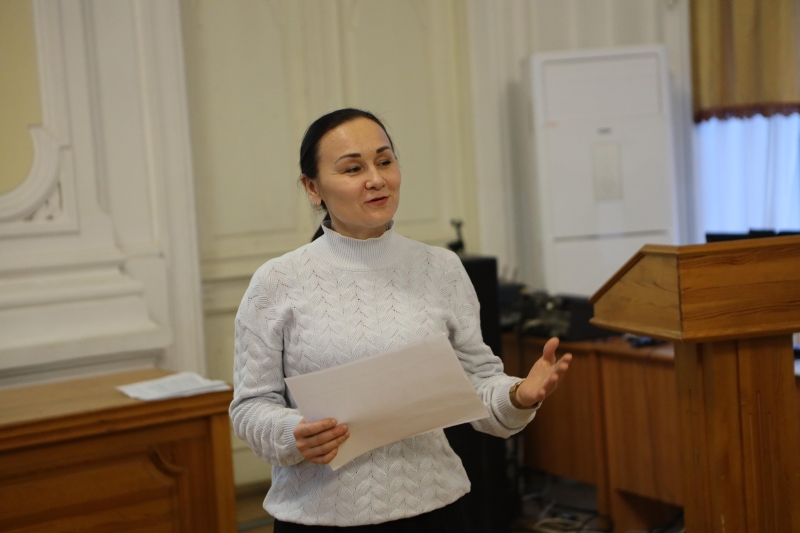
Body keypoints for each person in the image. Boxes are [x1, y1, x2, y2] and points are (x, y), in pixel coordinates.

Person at [230, 108, 572, 532]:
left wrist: (520, 395)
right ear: (312, 187)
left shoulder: (441, 268)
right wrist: (294, 432)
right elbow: (250, 408)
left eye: (385, 161)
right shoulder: (277, 281)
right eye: (353, 168)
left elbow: (477, 388)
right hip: (318, 517)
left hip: (436, 509)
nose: (376, 179)